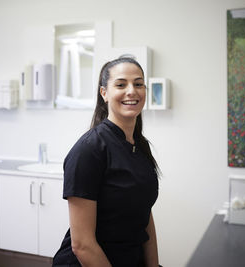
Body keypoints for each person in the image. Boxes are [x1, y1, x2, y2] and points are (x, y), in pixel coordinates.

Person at [52, 57, 160, 267]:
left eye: (138, 84)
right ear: (104, 93)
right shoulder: (89, 149)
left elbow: (144, 211)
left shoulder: (140, 146)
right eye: (121, 84)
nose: (132, 91)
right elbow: (82, 245)